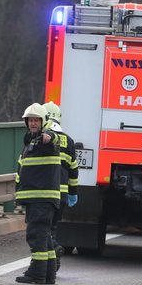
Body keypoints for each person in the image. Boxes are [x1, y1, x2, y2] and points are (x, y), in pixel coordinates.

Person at [15, 103, 61, 284]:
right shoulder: (30, 141)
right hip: (37, 198)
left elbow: (54, 137)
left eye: (36, 120)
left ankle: (37, 273)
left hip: (42, 198)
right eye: (31, 120)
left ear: (43, 122)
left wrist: (48, 136)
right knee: (45, 237)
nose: (33, 123)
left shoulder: (46, 139)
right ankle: (49, 274)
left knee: (36, 235)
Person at [43, 101, 79, 271]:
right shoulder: (69, 141)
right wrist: (73, 192)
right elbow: (73, 170)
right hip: (62, 194)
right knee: (53, 227)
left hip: (45, 192)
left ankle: (54, 250)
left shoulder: (41, 137)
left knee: (43, 229)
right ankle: (53, 263)